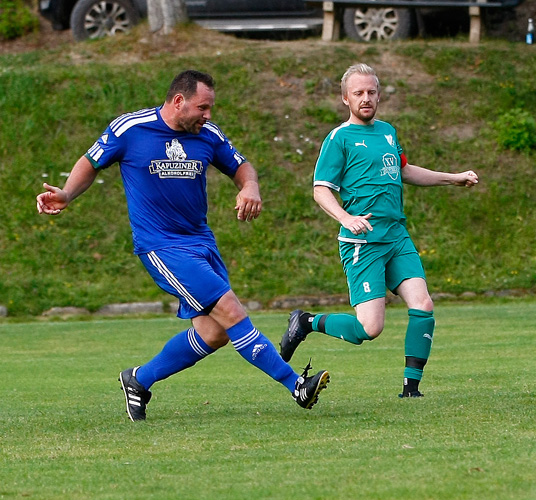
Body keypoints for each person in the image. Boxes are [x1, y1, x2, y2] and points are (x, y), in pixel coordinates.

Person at [36, 70, 329, 421]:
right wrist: (67, 192)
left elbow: (242, 166)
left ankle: (138, 379)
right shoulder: (130, 129)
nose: (208, 115)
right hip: (160, 246)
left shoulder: (208, 135)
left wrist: (250, 187)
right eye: (203, 107)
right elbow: (90, 162)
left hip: (200, 242)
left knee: (214, 332)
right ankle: (296, 384)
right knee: (231, 311)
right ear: (178, 101)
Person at [279, 63, 479, 399]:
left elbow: (404, 171)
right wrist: (345, 218)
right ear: (346, 98)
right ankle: (306, 322)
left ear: (379, 95)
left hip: (396, 236)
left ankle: (411, 389)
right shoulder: (338, 138)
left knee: (424, 305)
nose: (366, 98)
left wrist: (453, 177)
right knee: (369, 329)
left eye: (371, 92)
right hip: (363, 242)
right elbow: (320, 189)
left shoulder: (388, 131)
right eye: (358, 93)